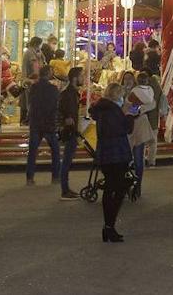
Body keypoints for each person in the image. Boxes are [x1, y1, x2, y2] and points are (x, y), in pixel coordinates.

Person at [88, 82, 135, 242]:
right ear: (117, 96)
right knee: (117, 188)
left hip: (107, 153)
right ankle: (109, 226)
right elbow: (123, 129)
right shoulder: (112, 111)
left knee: (112, 188)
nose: (123, 99)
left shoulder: (103, 110)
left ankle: (109, 226)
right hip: (115, 153)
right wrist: (128, 115)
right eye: (121, 96)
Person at [25, 67, 61, 186]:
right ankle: (55, 177)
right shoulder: (53, 89)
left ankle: (30, 177)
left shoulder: (34, 88)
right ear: (49, 74)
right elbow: (55, 105)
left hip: (36, 122)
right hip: (48, 123)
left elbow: (30, 103)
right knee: (55, 150)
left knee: (33, 151)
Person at [128, 71, 157, 195]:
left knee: (136, 155)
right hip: (141, 123)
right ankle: (136, 184)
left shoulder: (134, 92)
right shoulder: (150, 91)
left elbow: (132, 109)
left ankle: (135, 183)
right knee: (137, 155)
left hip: (133, 125)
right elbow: (151, 103)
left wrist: (134, 110)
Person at [56, 67, 83, 200]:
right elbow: (64, 110)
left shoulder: (71, 93)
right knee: (66, 160)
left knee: (68, 160)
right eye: (81, 76)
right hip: (70, 130)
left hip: (72, 129)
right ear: (75, 78)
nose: (83, 79)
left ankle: (66, 188)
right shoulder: (69, 94)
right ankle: (64, 190)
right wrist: (68, 119)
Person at [20, 36, 44, 125]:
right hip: (30, 80)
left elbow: (42, 63)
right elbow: (25, 67)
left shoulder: (38, 53)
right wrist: (25, 79)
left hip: (37, 80)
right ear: (36, 44)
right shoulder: (28, 53)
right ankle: (30, 119)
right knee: (30, 101)